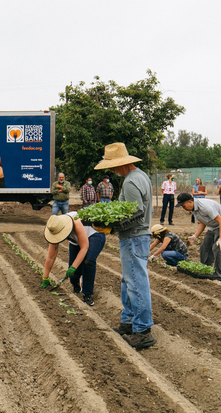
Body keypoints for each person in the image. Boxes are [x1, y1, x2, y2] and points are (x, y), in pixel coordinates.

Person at [94, 142, 155, 349]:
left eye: (112, 166)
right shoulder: (141, 175)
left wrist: (111, 225)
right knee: (129, 281)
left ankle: (143, 330)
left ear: (121, 164)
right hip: (139, 237)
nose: (110, 170)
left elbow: (136, 214)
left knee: (136, 282)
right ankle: (128, 322)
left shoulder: (130, 182)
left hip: (133, 237)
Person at [41, 213, 105, 306]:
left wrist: (73, 267)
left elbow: (84, 248)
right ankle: (76, 284)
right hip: (76, 240)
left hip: (94, 235)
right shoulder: (54, 227)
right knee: (74, 272)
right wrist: (45, 277)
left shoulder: (75, 221)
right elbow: (51, 257)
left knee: (88, 261)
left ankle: (87, 293)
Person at [176, 192, 221, 284]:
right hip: (214, 226)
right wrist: (195, 236)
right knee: (205, 248)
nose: (183, 208)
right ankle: (207, 271)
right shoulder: (194, 210)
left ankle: (220, 277)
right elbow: (202, 223)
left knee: (217, 249)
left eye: (183, 206)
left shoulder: (204, 206)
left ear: (189, 202)